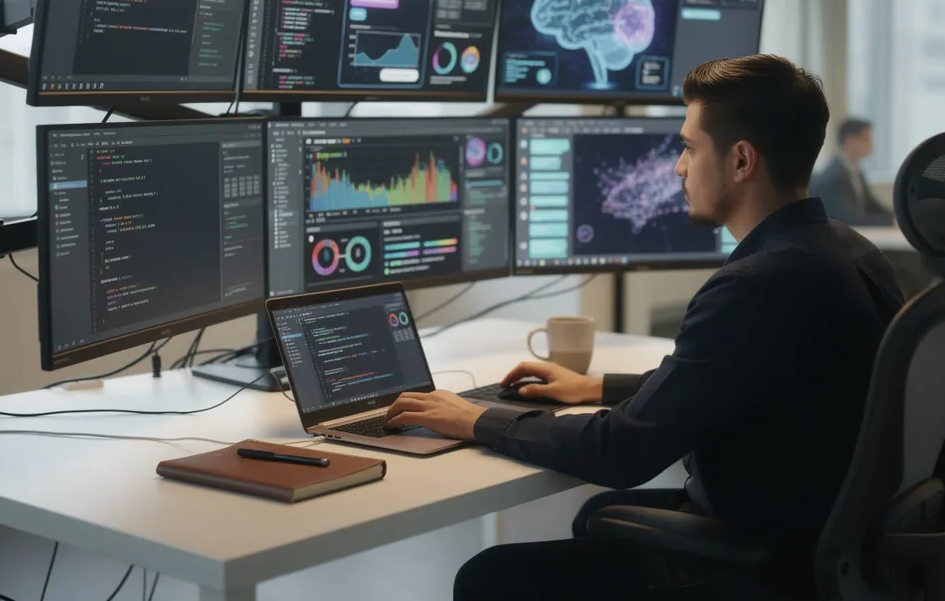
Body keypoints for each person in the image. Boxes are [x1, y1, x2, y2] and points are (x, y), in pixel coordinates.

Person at [383, 55, 905, 600]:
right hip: (833, 539)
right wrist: (595, 386)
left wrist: (478, 419)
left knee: (488, 578)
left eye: (689, 147)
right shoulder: (851, 253)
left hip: (772, 563)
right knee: (598, 517)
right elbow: (734, 376)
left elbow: (621, 451)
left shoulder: (756, 284)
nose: (679, 167)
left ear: (741, 161)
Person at [809, 118, 893, 226]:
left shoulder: (856, 171)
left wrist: (896, 217)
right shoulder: (833, 177)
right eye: (866, 139)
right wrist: (889, 221)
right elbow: (849, 219)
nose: (870, 145)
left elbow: (871, 205)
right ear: (849, 140)